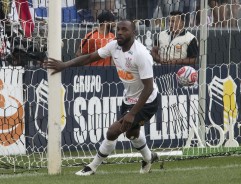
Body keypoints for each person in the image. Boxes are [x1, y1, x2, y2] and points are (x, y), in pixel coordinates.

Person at [44, 19, 160, 176]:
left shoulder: (141, 54)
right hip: (129, 98)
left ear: (134, 33)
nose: (119, 32)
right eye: (118, 29)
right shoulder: (113, 46)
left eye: (124, 29)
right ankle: (149, 157)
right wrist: (65, 65)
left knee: (113, 132)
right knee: (132, 133)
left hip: (147, 100)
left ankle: (91, 167)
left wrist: (132, 113)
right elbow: (89, 57)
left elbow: (148, 88)